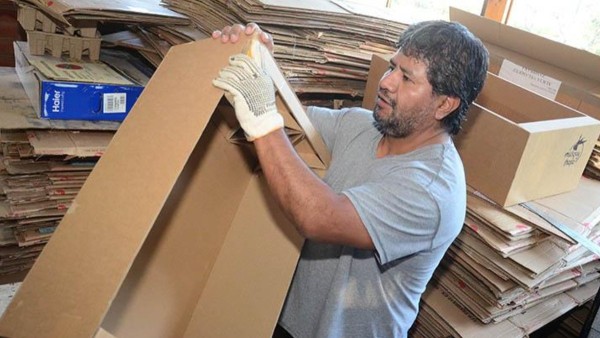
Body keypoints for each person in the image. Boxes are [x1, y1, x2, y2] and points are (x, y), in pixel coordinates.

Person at [211, 20, 489, 338]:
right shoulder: (361, 125)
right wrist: (259, 62)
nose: (386, 82)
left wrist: (262, 116)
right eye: (391, 67)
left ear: (444, 104)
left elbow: (318, 217)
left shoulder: (432, 191)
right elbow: (286, 123)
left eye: (406, 77)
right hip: (281, 318)